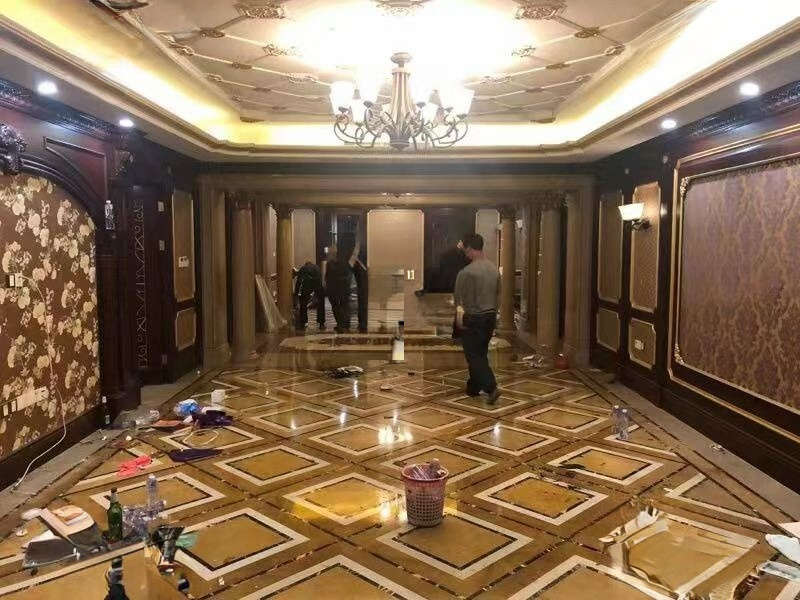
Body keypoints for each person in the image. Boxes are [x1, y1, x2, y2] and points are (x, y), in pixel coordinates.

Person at [454, 233, 501, 403]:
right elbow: (498, 295)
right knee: (480, 353)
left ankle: (491, 387)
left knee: (473, 355)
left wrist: (459, 320)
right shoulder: (494, 269)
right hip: (490, 316)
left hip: (473, 318)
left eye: (466, 251)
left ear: (470, 249)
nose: (465, 254)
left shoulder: (466, 272)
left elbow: (459, 300)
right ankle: (473, 387)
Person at [324, 246, 353, 332]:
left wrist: (327, 287)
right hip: (343, 289)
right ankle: (345, 324)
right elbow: (348, 276)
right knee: (344, 306)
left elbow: (327, 277)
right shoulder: (345, 263)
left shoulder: (329, 264)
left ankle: (341, 324)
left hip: (334, 290)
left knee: (336, 307)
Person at [293, 261, 325, 332]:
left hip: (307, 285)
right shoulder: (317, 267)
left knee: (303, 303)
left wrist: (296, 293)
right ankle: (321, 323)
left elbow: (299, 282)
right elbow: (320, 279)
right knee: (321, 303)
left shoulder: (303, 268)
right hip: (317, 284)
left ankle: (303, 322)